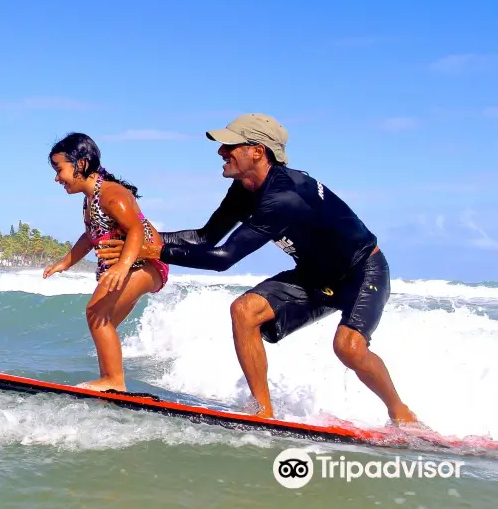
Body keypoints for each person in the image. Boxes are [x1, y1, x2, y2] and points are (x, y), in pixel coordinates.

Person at [95, 114, 419, 424]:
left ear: (257, 151)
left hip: (362, 271)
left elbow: (223, 258)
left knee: (348, 347)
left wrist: (159, 250)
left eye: (230, 146)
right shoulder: (244, 190)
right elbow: (206, 237)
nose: (221, 152)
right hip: (313, 275)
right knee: (245, 311)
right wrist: (141, 237)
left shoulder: (285, 196)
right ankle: (262, 410)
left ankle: (400, 412)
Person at [44, 132, 169, 392]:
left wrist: (123, 267)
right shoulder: (90, 199)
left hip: (144, 265)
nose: (56, 178)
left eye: (59, 169)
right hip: (132, 266)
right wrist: (65, 263)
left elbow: (135, 229)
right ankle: (109, 383)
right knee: (104, 321)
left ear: (80, 164)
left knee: (96, 312)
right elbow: (90, 236)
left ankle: (113, 380)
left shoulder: (112, 194)